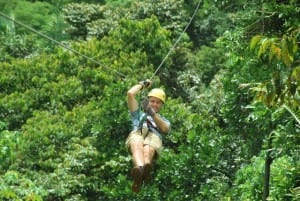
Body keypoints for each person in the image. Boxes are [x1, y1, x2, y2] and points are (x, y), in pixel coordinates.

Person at [126, 80, 171, 193]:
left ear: (161, 105)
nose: (155, 104)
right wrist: (142, 84)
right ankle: (141, 171)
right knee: (136, 145)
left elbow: (165, 129)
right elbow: (130, 94)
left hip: (154, 133)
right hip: (140, 129)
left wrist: (151, 113)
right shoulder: (138, 114)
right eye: (152, 101)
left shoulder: (164, 120)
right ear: (148, 101)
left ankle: (145, 168)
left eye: (158, 102)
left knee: (148, 149)